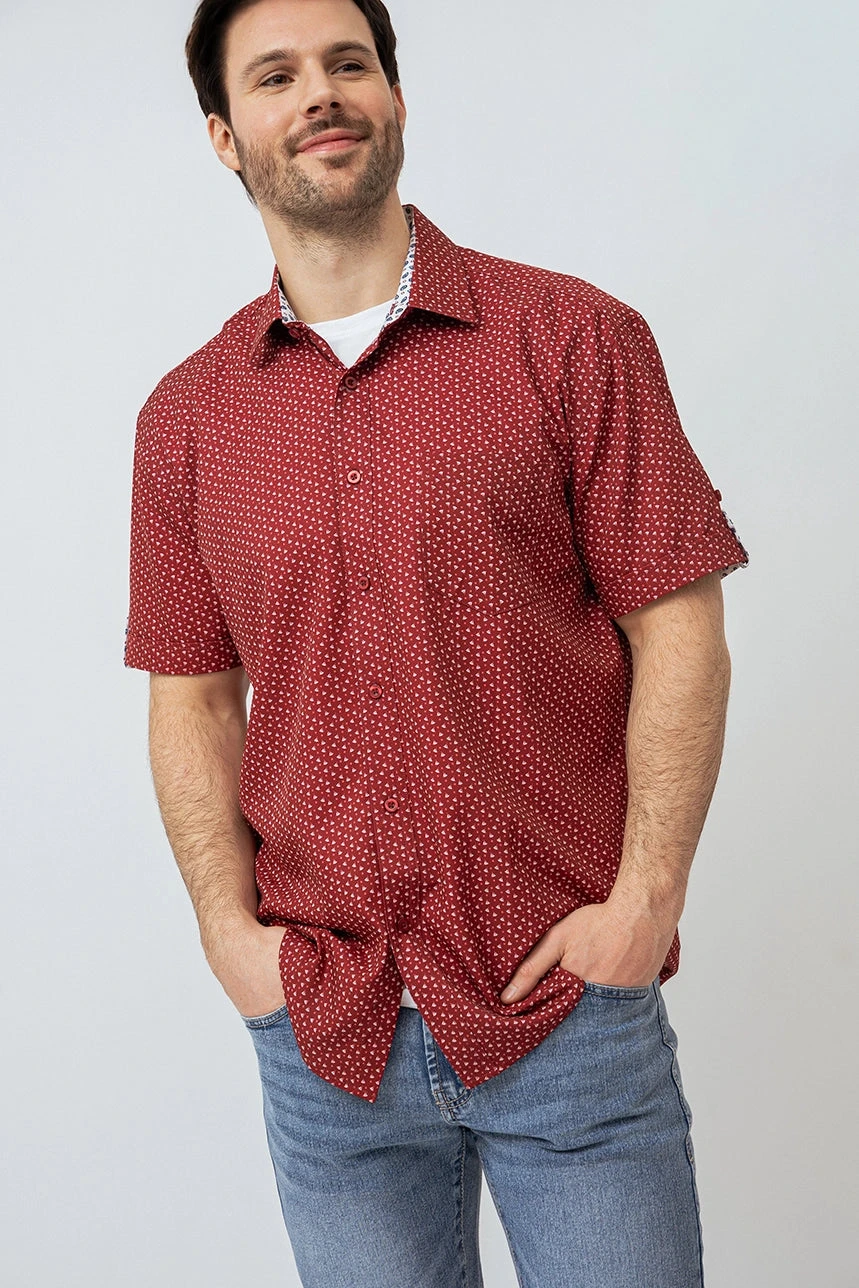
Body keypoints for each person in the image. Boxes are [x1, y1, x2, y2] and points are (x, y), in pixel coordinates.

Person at [125, 1, 749, 1284]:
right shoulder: (185, 420)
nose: (320, 93)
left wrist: (644, 905)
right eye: (275, 76)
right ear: (224, 136)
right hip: (326, 1033)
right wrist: (231, 940)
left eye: (348, 64)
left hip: (566, 1015)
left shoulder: (572, 339)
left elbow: (679, 626)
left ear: (395, 99)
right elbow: (193, 696)